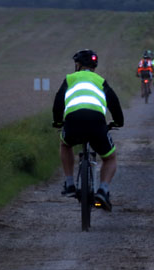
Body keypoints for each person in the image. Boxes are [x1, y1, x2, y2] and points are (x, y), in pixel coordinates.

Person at [52, 49, 124, 211]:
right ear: (94, 66)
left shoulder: (70, 78)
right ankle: (103, 190)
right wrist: (118, 122)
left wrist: (57, 121)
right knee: (109, 157)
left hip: (73, 121)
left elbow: (58, 101)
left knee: (65, 144)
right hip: (96, 122)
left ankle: (70, 183)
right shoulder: (100, 80)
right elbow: (114, 102)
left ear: (77, 65)